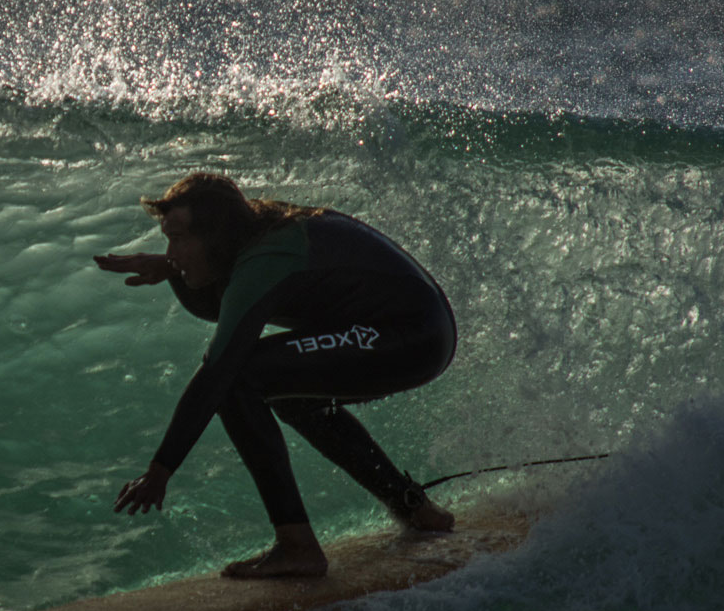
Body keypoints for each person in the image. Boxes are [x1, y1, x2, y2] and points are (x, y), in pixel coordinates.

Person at [96, 173, 457, 579]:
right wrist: (170, 264)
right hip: (408, 326)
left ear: (215, 236)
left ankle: (297, 546)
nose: (170, 250)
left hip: (412, 333)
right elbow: (221, 283)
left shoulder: (266, 258)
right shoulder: (249, 232)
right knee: (288, 393)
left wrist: (159, 471)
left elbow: (217, 371)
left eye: (178, 239)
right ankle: (416, 510)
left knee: (238, 377)